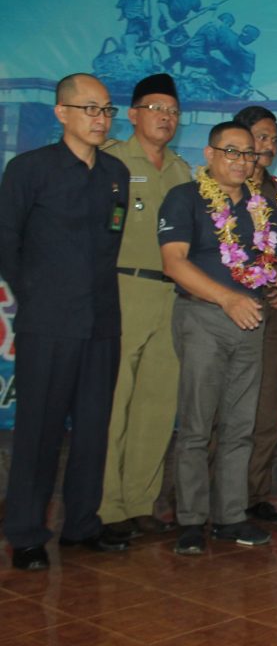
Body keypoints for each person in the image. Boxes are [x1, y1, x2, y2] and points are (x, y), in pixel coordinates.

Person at [0, 73, 131, 570]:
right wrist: (35, 294)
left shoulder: (115, 173)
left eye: (106, 110)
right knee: (39, 432)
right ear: (62, 114)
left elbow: (111, 241)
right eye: (89, 109)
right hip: (49, 322)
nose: (100, 119)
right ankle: (27, 534)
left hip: (102, 320)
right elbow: (6, 240)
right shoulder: (29, 170)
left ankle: (81, 525)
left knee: (94, 429)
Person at [158, 121, 277, 555]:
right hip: (204, 317)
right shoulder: (184, 198)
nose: (242, 161)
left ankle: (230, 516)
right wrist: (226, 299)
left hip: (252, 320)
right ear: (209, 154)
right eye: (232, 152)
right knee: (198, 426)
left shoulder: (262, 205)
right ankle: (189, 520)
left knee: (241, 425)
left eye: (248, 154)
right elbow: (173, 263)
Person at [98, 73, 190, 540]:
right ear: (132, 114)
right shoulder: (110, 160)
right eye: (156, 109)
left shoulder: (183, 171)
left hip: (172, 294)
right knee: (113, 400)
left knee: (157, 403)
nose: (166, 118)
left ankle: (139, 501)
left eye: (172, 111)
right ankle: (106, 507)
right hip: (121, 289)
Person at [233, 105, 277, 523]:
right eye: (261, 137)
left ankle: (254, 494)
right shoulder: (220, 188)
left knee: (267, 404)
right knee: (228, 405)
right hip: (232, 308)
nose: (268, 146)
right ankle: (216, 494)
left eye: (273, 139)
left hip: (274, 310)